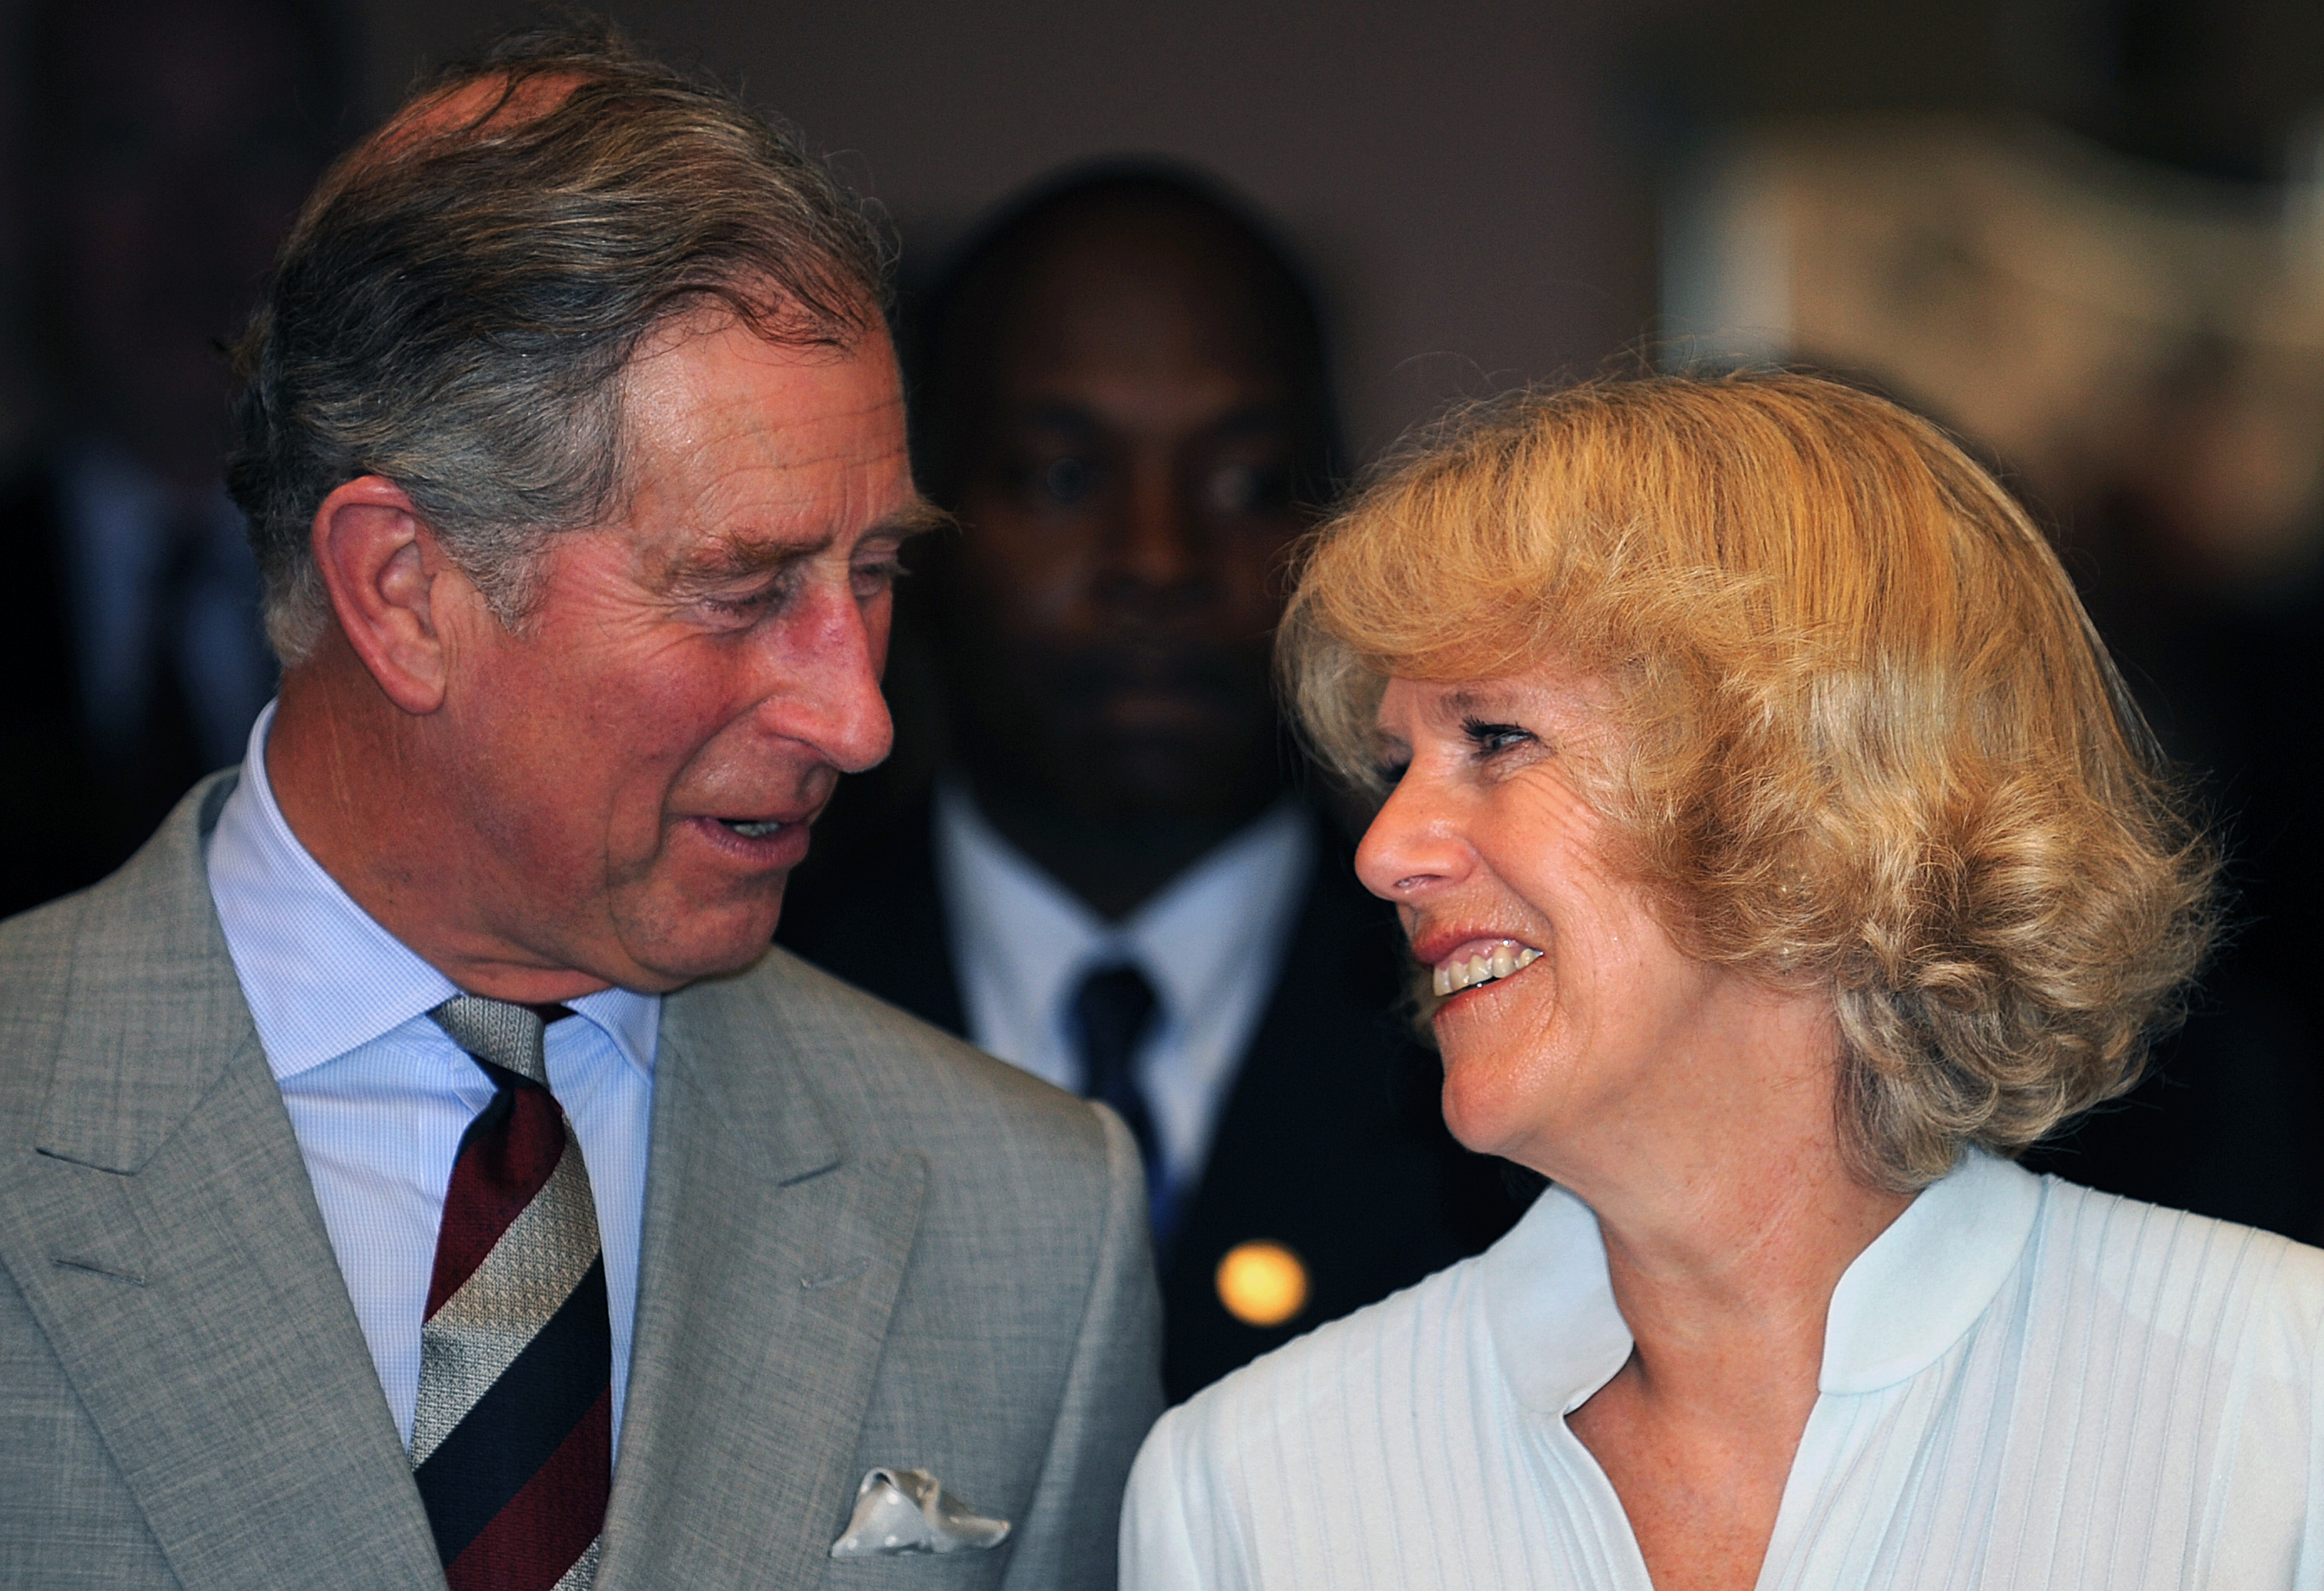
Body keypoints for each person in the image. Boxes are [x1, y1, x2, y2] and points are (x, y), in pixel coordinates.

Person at [0, 30, 1159, 1591]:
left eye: (872, 575)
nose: (859, 715)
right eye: (742, 591)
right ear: (405, 592)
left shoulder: (1025, 1220)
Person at [1122, 372, 2324, 1589]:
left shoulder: (2276, 1407)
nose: (1385, 853)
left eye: (1495, 738)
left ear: (1806, 794)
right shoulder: (1256, 1489)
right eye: (1396, 767)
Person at [778, 167, 1516, 1403]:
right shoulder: (751, 994)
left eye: (1246, 483)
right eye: (1063, 477)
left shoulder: (1495, 1028)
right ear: (917, 522)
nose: (1158, 561)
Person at [0, 0, 347, 918]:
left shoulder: (458, 613)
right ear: (33, 190)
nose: (194, 226)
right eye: (125, 144)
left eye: (259, 146)